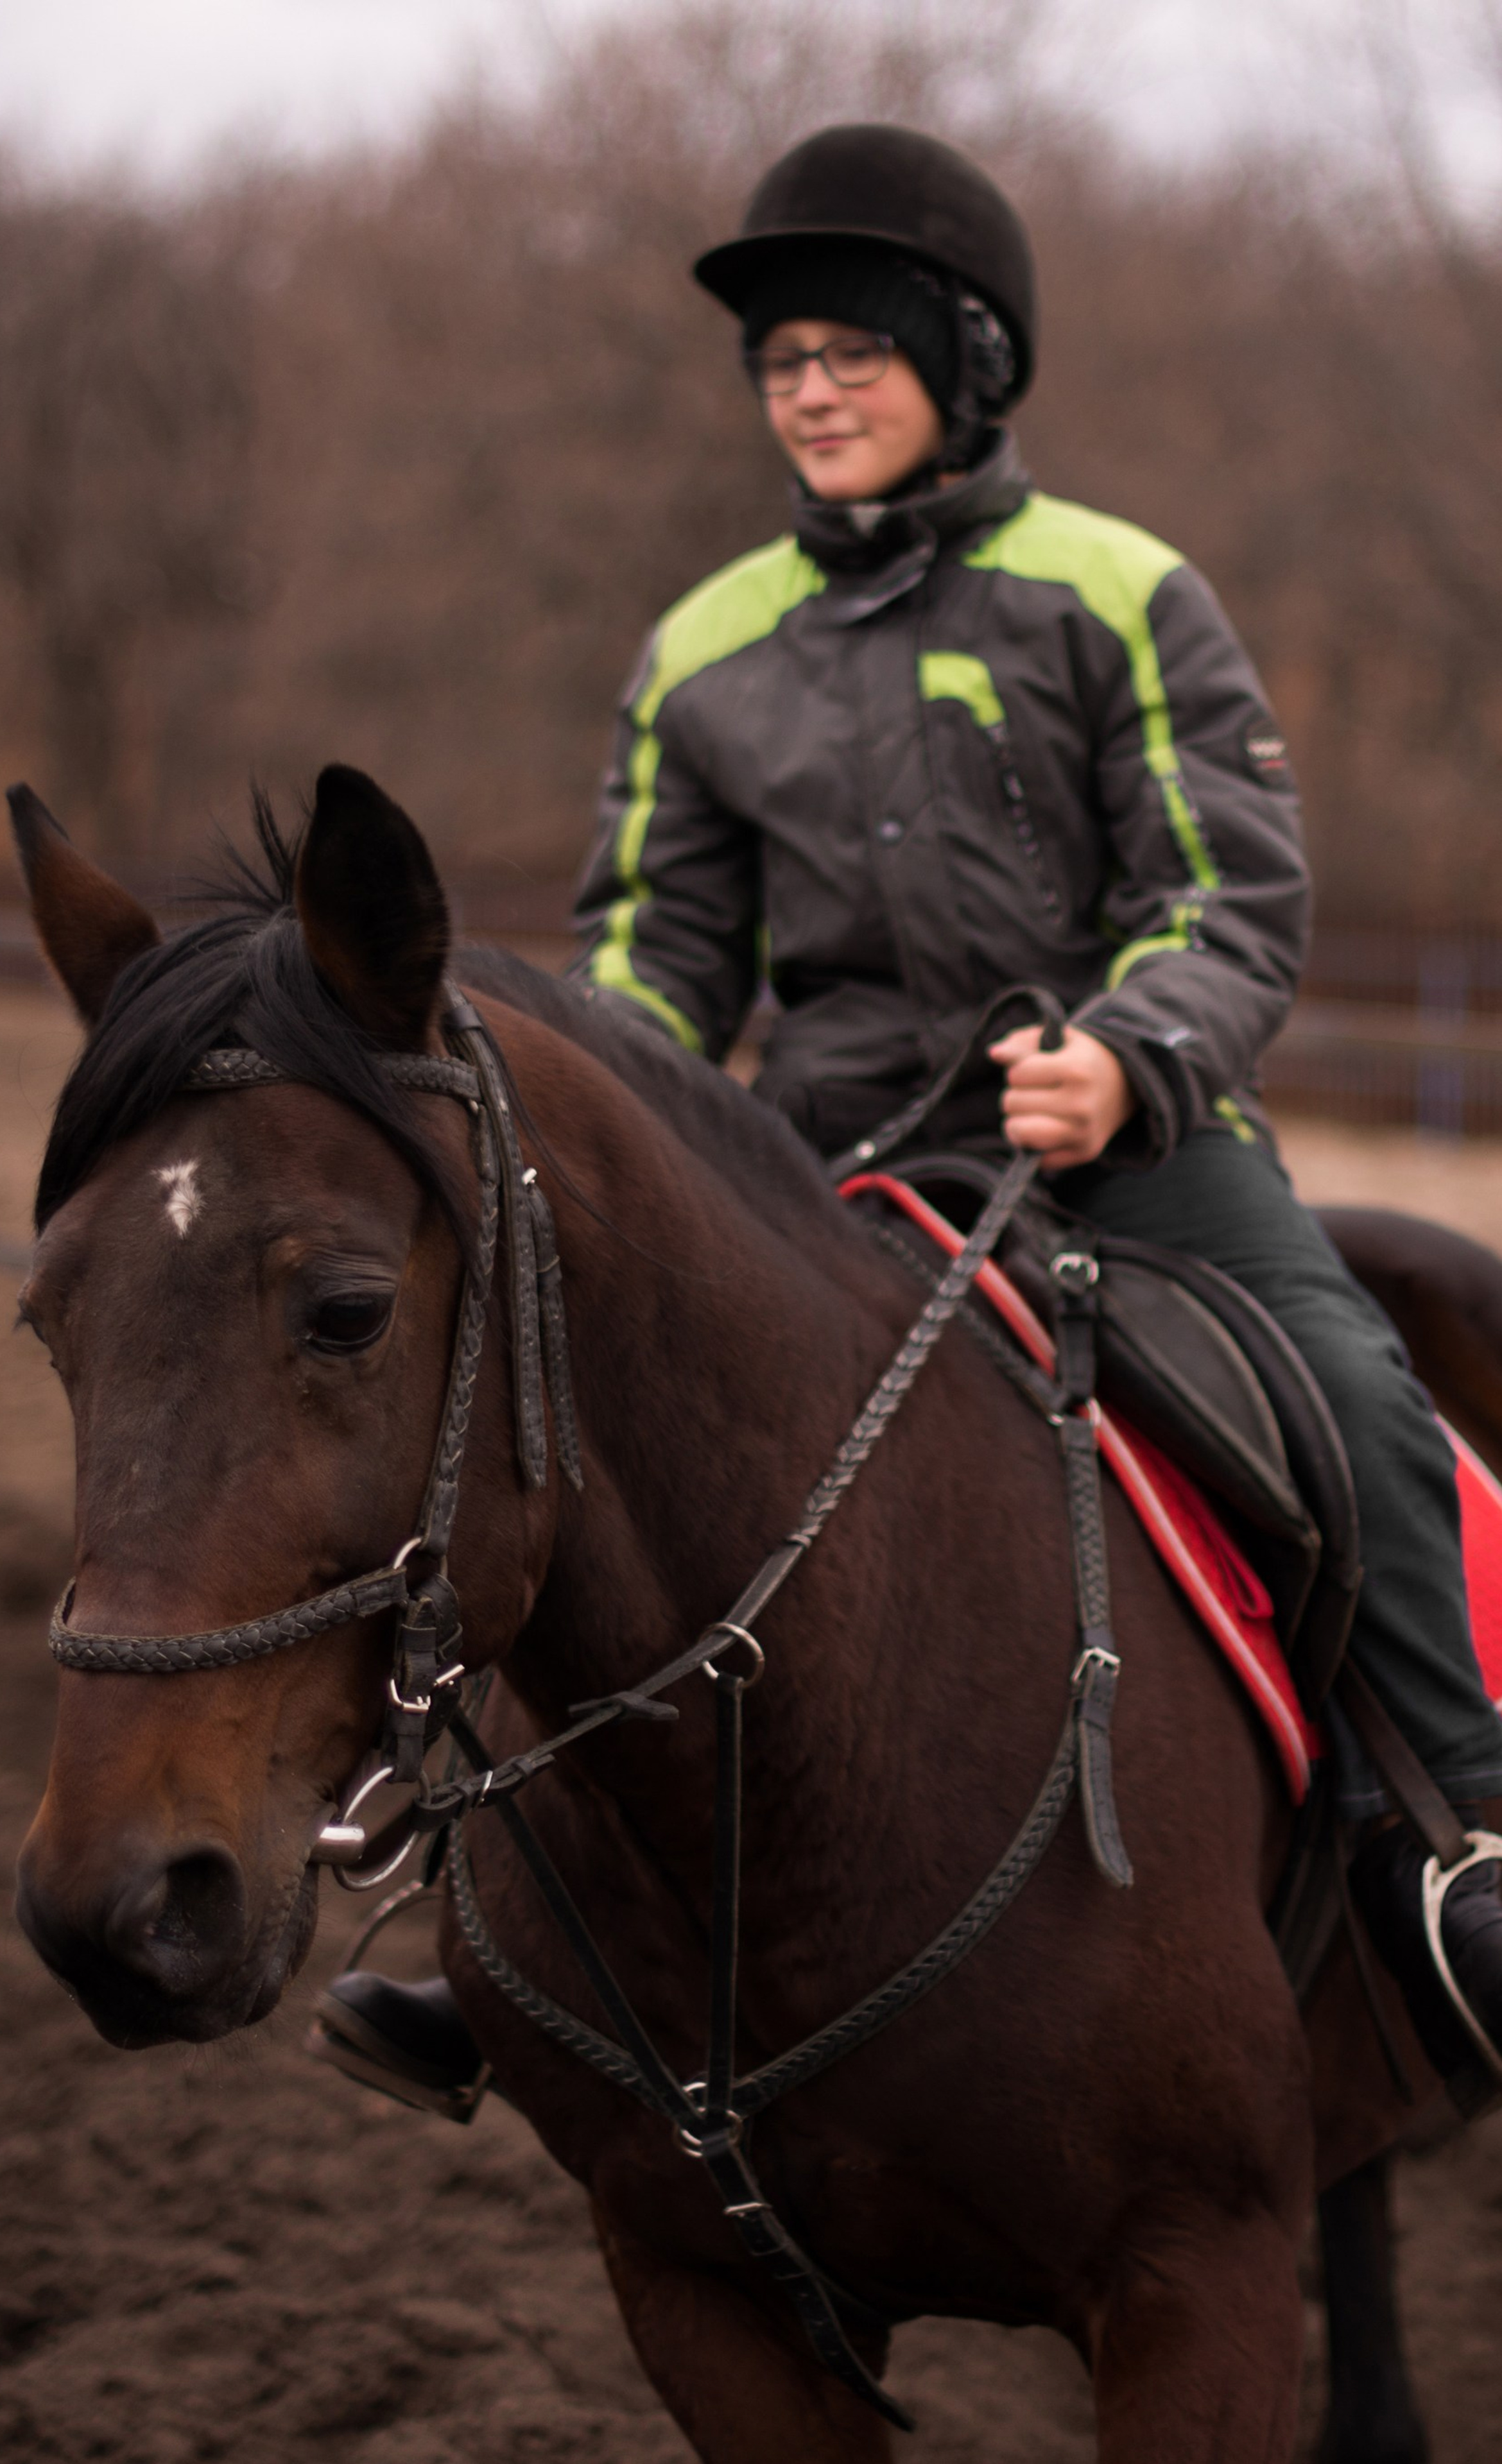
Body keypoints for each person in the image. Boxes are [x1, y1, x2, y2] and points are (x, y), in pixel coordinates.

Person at [319, 123, 1502, 2107]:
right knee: (572, 1448)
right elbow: (653, 960)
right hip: (822, 1165)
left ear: (967, 368)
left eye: (854, 354)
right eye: (783, 362)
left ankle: (1464, 1840)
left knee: (1356, 1387)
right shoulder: (699, 648)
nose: (812, 390)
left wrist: (1130, 1052)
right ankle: (511, 1940)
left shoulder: (1119, 590)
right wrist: (581, 1139)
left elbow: (1234, 890)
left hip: (1132, 1138)